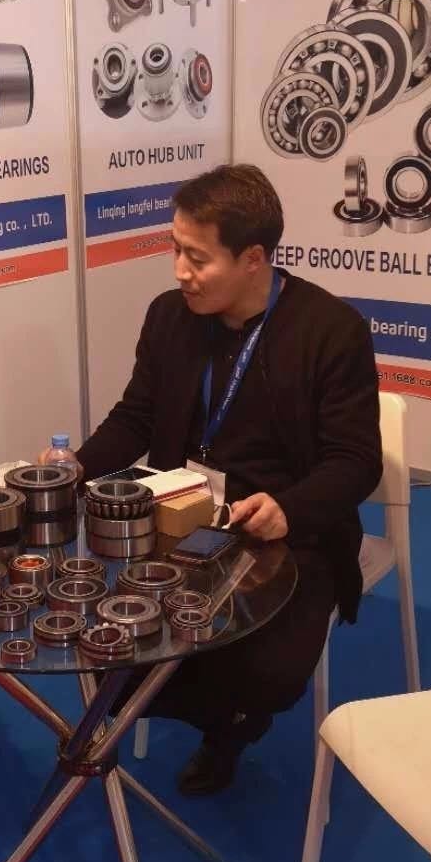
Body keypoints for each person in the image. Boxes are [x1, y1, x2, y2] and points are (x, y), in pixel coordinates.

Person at [64, 163, 382, 795]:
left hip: (286, 536)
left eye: (197, 257)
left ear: (253, 259)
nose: (179, 271)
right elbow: (136, 416)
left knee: (265, 671)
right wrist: (77, 465)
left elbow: (355, 461)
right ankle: (207, 714)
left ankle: (229, 732)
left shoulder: (331, 331)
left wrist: (289, 508)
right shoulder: (169, 316)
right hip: (180, 524)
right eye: (175, 249)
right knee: (109, 644)